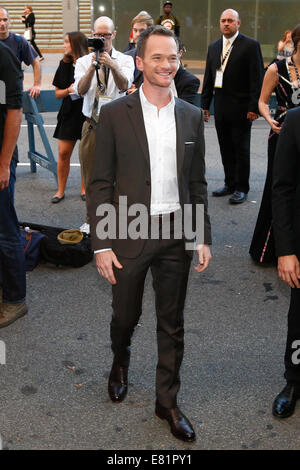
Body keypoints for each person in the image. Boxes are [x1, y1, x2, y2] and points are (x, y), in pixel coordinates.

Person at [87, 25, 212, 442]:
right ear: (139, 63)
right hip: (126, 229)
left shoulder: (192, 115)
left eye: (173, 57)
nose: (166, 65)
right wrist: (102, 243)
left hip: (176, 230)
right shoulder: (115, 113)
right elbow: (101, 182)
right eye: (157, 57)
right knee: (125, 315)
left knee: (171, 322)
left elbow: (196, 183)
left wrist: (200, 236)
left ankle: (167, 402)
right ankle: (120, 360)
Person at [74, 16, 134, 234]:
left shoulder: (125, 59)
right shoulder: (83, 61)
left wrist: (112, 64)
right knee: (91, 176)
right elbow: (79, 90)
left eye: (105, 35)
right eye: (97, 35)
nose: (101, 39)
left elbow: (124, 85)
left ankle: (118, 222)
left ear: (114, 34)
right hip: (92, 125)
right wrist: (93, 67)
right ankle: (91, 221)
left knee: (121, 177)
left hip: (119, 126)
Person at [201, 9, 264, 204]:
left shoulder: (250, 46)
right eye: (223, 21)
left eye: (230, 20)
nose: (226, 23)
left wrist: (254, 107)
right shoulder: (213, 47)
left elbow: (257, 78)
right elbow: (209, 78)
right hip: (220, 108)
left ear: (238, 23)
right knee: (225, 148)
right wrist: (204, 106)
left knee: (241, 149)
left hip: (243, 109)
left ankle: (241, 187)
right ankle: (229, 184)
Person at [249, 24, 300, 265]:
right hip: (281, 134)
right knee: (278, 188)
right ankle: (268, 249)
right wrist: (269, 119)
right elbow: (261, 101)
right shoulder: (276, 69)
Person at [271, 107, 300, 419]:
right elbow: (282, 189)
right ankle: (294, 380)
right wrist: (286, 250)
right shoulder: (296, 120)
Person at [0, 41, 27, 328]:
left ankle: (15, 300)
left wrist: (4, 163)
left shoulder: (3, 55)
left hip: (0, 156)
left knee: (5, 230)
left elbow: (14, 112)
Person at [51, 32, 88, 204]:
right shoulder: (64, 64)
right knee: (63, 153)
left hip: (87, 113)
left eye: (66, 42)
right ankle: (60, 190)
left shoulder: (89, 63)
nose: (64, 45)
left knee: (85, 155)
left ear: (75, 44)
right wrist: (69, 90)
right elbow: (58, 93)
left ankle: (84, 188)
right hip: (68, 113)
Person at [0, 6, 41, 98]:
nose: (2, 23)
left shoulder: (19, 41)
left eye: (5, 19)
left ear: (9, 21)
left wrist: (37, 85)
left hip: (13, 92)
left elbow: (36, 62)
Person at [125, 10, 154, 94]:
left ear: (150, 32)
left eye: (142, 31)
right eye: (135, 30)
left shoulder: (158, 57)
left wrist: (139, 93)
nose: (137, 34)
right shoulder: (126, 56)